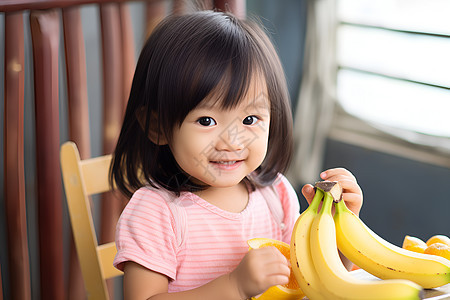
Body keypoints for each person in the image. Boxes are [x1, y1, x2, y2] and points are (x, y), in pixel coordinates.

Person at [110, 10, 363, 299]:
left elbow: (312, 280)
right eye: (206, 121)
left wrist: (339, 232)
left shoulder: (275, 195)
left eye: (249, 119)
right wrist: (233, 286)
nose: (232, 141)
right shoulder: (156, 212)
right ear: (157, 127)